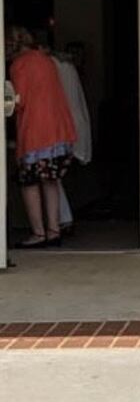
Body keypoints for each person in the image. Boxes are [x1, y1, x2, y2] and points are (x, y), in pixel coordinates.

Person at [6, 25, 77, 248]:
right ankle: (54, 230)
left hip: (36, 132)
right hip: (59, 129)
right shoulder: (46, 60)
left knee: (29, 182)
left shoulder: (20, 64)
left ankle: (38, 233)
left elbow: (19, 100)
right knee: (51, 180)